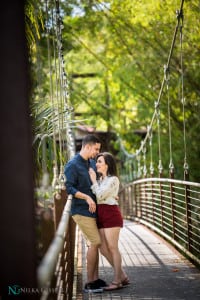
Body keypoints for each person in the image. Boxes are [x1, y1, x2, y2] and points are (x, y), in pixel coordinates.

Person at [64, 134, 107, 293]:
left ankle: (95, 279)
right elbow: (69, 188)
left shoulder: (91, 163)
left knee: (95, 243)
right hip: (81, 210)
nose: (97, 152)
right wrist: (87, 197)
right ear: (87, 146)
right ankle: (89, 283)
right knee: (95, 242)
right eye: (96, 149)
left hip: (93, 210)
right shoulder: (72, 165)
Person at [89, 152, 130, 291]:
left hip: (111, 214)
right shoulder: (101, 180)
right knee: (103, 248)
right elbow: (98, 196)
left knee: (113, 248)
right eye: (97, 161)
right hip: (100, 214)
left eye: (100, 161)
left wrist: (94, 181)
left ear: (107, 164)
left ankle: (117, 281)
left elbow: (100, 195)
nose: (97, 164)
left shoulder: (113, 180)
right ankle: (123, 275)